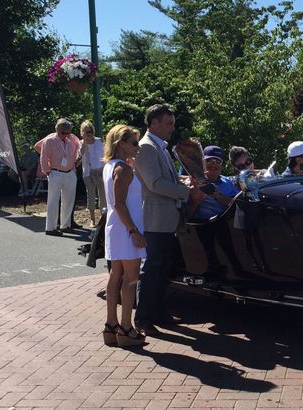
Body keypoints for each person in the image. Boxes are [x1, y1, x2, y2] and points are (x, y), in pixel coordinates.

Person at [133, 104, 191, 336]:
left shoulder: (161, 148)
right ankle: (143, 318)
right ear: (153, 123)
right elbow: (154, 183)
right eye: (168, 123)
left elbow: (168, 179)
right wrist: (186, 192)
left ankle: (158, 312)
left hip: (166, 218)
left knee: (163, 268)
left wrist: (184, 183)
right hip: (154, 219)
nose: (172, 128)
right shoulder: (146, 148)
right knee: (153, 269)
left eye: (173, 123)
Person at [101, 124, 147, 348]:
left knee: (115, 275)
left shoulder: (111, 166)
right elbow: (120, 203)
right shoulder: (123, 169)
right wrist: (134, 231)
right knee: (130, 279)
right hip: (125, 228)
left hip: (115, 228)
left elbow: (117, 203)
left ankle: (111, 325)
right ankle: (126, 328)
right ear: (122, 144)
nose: (138, 147)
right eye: (134, 143)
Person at [39, 119, 81, 236]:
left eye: (68, 133)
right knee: (53, 201)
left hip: (69, 172)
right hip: (55, 172)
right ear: (57, 130)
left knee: (69, 200)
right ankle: (51, 228)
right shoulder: (49, 140)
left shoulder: (70, 140)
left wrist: (73, 168)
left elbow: (74, 154)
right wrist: (47, 171)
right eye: (63, 132)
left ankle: (65, 225)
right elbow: (43, 157)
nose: (65, 135)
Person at [187, 146, 238, 219]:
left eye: (218, 161)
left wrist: (218, 196)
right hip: (200, 228)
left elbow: (238, 205)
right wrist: (195, 202)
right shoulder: (192, 183)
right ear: (202, 163)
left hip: (227, 226)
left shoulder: (229, 182)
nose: (213, 164)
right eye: (209, 160)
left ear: (222, 166)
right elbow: (184, 218)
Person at [79, 121, 106, 226]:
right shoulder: (81, 143)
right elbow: (80, 155)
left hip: (100, 171)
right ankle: (92, 219)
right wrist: (85, 143)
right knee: (90, 195)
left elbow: (104, 155)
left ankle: (103, 218)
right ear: (82, 133)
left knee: (102, 196)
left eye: (89, 131)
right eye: (85, 132)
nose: (88, 134)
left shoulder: (99, 142)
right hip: (88, 172)